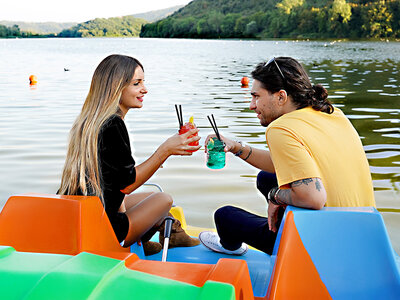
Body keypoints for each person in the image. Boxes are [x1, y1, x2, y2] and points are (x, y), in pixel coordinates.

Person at [199, 57, 376, 255]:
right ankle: (282, 225)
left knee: (226, 217)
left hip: (327, 246)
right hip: (363, 233)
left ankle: (237, 246)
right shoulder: (333, 114)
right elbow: (285, 164)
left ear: (281, 97)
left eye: (256, 96)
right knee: (266, 178)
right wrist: (236, 147)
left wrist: (275, 197)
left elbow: (313, 197)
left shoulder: (281, 128)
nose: (251, 105)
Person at [58, 54, 200, 255]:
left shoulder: (88, 122)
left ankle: (154, 239)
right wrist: (165, 151)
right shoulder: (113, 124)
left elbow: (111, 182)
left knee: (150, 196)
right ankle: (147, 238)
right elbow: (127, 184)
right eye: (137, 83)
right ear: (116, 87)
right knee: (164, 199)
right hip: (104, 229)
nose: (145, 89)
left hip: (82, 217)